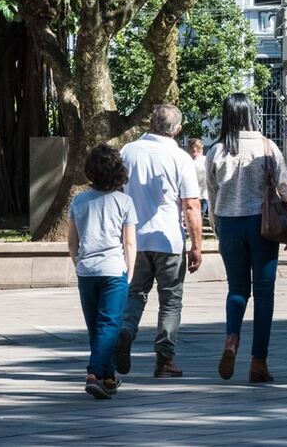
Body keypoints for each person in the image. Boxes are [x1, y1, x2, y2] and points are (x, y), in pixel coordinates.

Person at [206, 93, 287, 384]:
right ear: (252, 114)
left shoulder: (216, 151)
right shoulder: (268, 147)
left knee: (237, 290)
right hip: (262, 226)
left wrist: (218, 230)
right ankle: (258, 362)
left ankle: (231, 340)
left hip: (229, 225)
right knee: (264, 293)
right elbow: (284, 188)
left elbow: (212, 194)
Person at [115, 104, 203, 379]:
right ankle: (164, 360)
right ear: (178, 129)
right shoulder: (180, 157)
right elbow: (190, 205)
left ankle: (125, 332)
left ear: (150, 123)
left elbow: (116, 192)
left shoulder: (128, 151)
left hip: (134, 239)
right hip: (169, 240)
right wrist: (196, 245)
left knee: (134, 294)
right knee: (170, 300)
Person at [67, 144, 137, 399]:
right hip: (113, 269)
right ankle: (94, 373)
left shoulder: (78, 200)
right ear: (118, 172)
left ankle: (108, 378)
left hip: (86, 270)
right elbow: (129, 242)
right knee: (109, 324)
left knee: (96, 327)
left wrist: (78, 263)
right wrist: (129, 272)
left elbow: (72, 241)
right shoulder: (124, 202)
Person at [188, 139, 210, 228]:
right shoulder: (208, 160)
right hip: (206, 195)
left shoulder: (190, 163)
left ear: (194, 150)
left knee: (196, 221)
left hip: (195, 196)